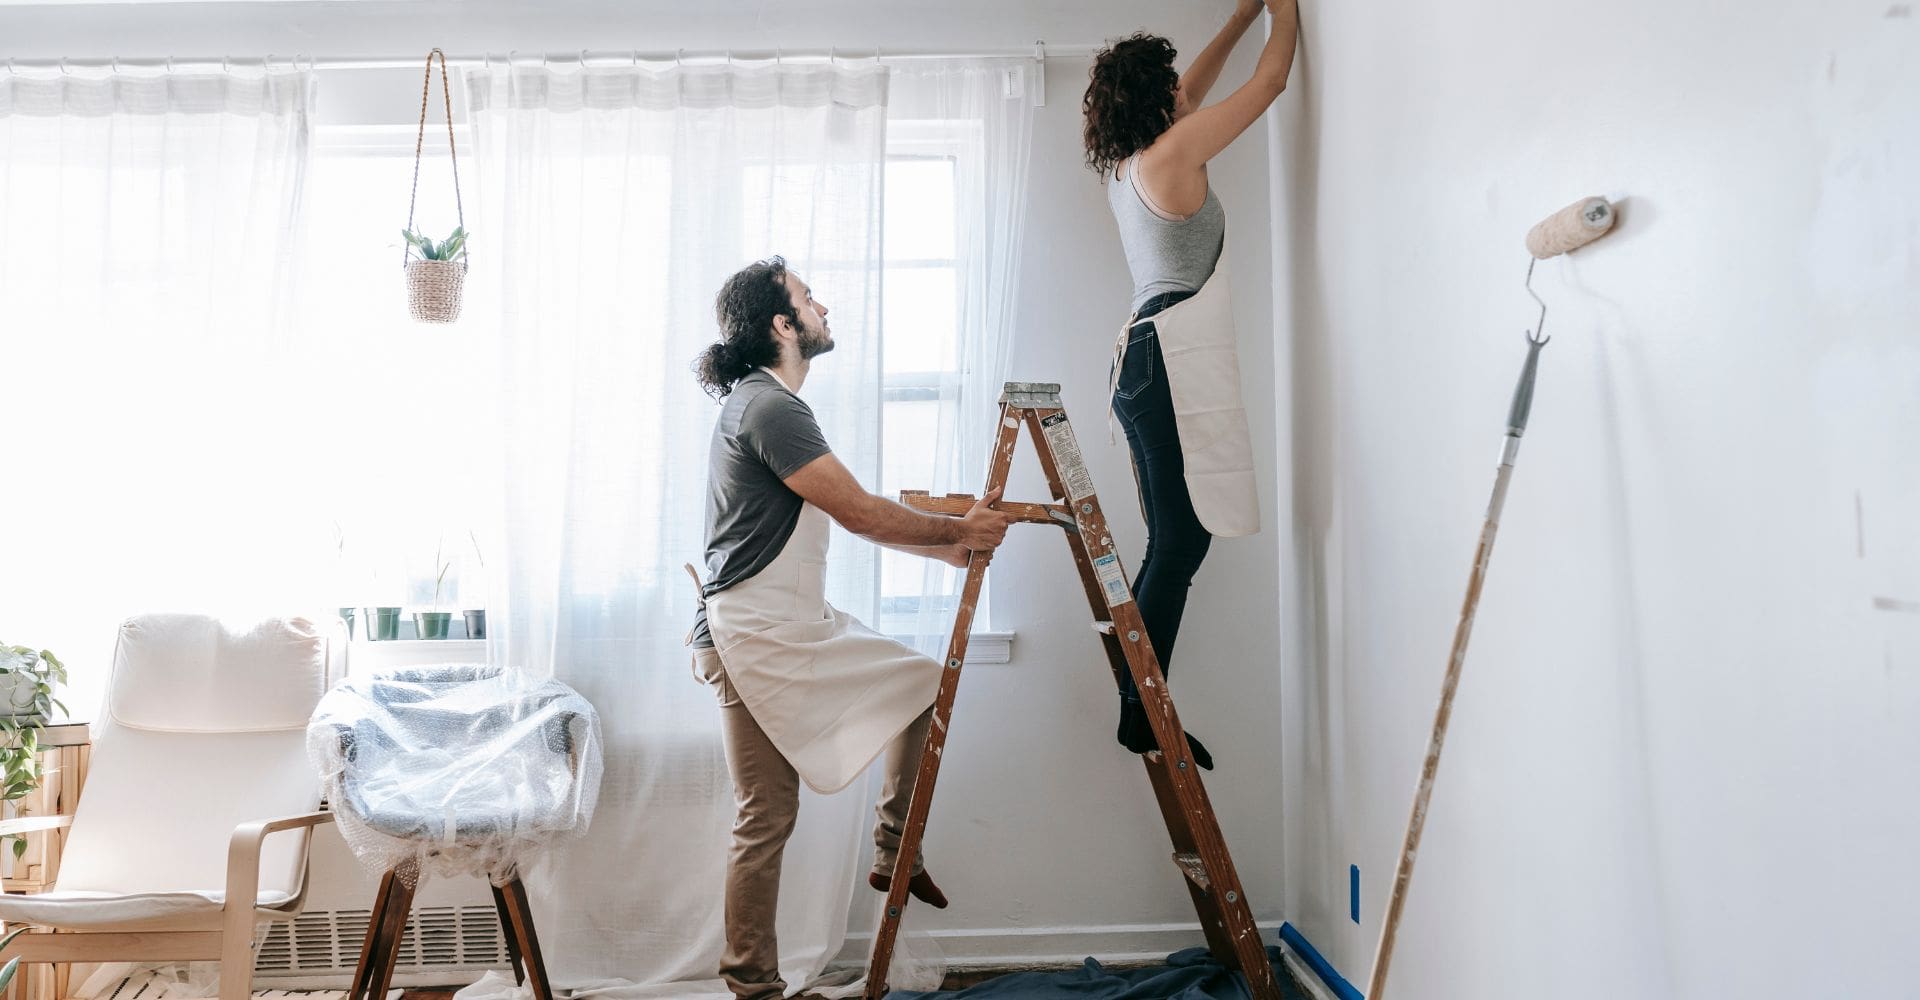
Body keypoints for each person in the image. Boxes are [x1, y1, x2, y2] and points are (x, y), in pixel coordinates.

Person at [687, 256, 1015, 1000]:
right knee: (764, 817)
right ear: (781, 324)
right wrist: (954, 530)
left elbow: (851, 515)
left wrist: (952, 543)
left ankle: (895, 843)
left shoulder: (764, 405)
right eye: (807, 298)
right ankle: (754, 986)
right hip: (754, 630)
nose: (820, 307)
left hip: (780, 619)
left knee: (919, 687)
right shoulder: (769, 408)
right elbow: (861, 510)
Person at [1084, 0, 1300, 769]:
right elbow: (1272, 84)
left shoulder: (1129, 164)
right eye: (1170, 85)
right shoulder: (1169, 157)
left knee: (1174, 538)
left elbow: (1192, 96)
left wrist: (1242, 16)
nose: (1183, 93)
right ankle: (1140, 704)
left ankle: (1138, 697)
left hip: (1143, 358)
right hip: (1163, 354)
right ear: (1156, 98)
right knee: (1180, 538)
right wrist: (1284, 12)